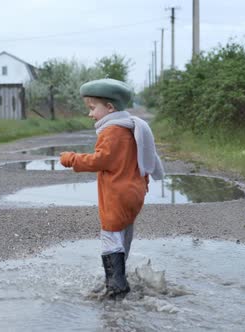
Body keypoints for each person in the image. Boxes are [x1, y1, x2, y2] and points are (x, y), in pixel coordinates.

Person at [60, 78, 164, 299]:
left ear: (110, 107)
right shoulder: (129, 127)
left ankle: (116, 287)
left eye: (92, 108)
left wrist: (71, 158)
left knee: (110, 236)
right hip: (134, 191)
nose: (90, 114)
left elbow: (101, 160)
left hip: (117, 194)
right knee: (123, 234)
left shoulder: (112, 131)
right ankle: (120, 277)